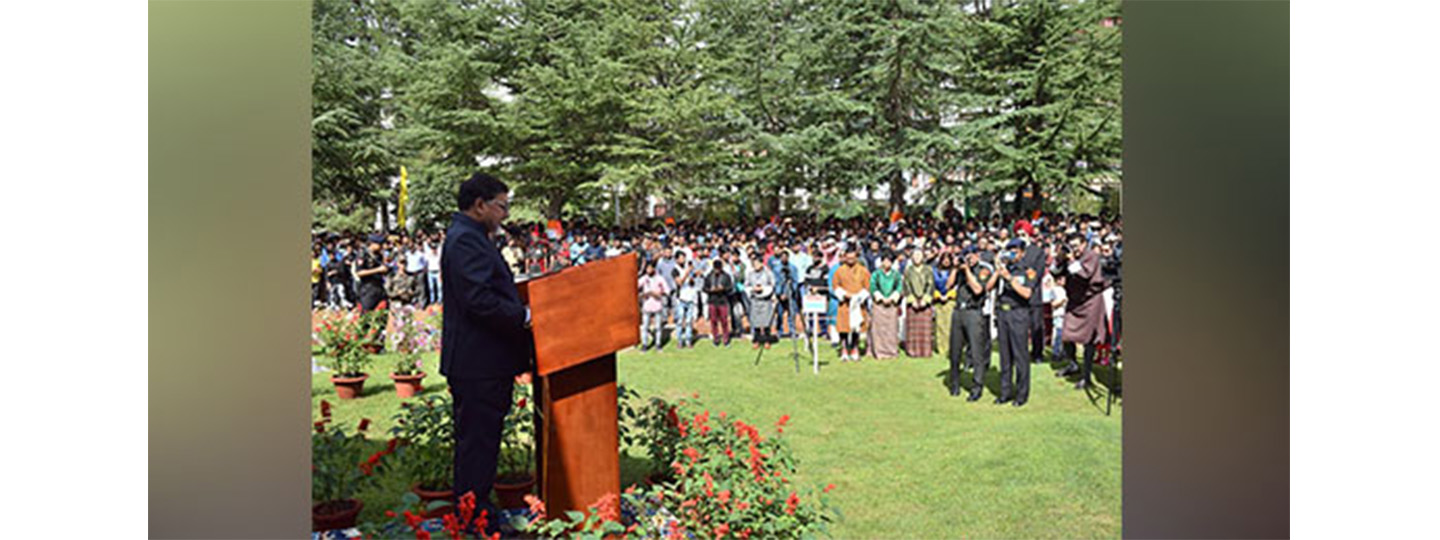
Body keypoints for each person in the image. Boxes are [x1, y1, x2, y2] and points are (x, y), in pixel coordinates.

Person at [439, 172, 532, 536]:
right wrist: (523, 315)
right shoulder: (465, 240)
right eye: (502, 206)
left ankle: (475, 514)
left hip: (482, 362)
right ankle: (476, 522)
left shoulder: (473, 236)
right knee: (478, 447)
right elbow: (479, 300)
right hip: (478, 364)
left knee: (480, 445)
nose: (506, 215)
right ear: (480, 205)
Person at [994, 237, 1040, 407]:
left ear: (1022, 253)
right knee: (1005, 356)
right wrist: (1000, 269)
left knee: (1020, 356)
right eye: (1009, 250)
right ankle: (1005, 392)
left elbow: (1027, 293)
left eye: (1015, 251)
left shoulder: (1028, 271)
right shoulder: (1006, 268)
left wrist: (1009, 279)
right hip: (1003, 313)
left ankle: (1021, 395)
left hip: (1019, 313)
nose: (1012, 254)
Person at [1058, 234, 1108, 389]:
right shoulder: (1071, 256)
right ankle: (1073, 364)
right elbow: (1056, 272)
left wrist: (1072, 260)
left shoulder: (1092, 256)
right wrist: (1060, 260)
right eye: (1072, 246)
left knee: (1088, 340)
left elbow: (1085, 274)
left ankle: (1086, 377)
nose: (1074, 249)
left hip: (1090, 301)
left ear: (1085, 244)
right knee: (1066, 334)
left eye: (1077, 245)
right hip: (1074, 301)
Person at [953, 249, 998, 400]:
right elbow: (948, 285)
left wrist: (967, 272)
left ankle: (977, 387)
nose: (969, 258)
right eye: (967, 256)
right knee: (955, 350)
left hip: (974, 311)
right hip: (959, 310)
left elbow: (978, 289)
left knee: (977, 351)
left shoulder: (983, 270)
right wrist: (955, 269)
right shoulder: (961, 269)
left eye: (972, 255)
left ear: (977, 256)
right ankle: (955, 383)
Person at [832, 247, 871, 361]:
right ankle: (844, 349)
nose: (850, 260)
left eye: (853, 258)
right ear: (844, 257)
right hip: (845, 303)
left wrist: (858, 296)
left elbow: (867, 287)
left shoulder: (863, 270)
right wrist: (845, 294)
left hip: (858, 303)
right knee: (843, 327)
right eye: (848, 257)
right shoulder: (839, 271)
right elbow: (835, 286)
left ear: (856, 257)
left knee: (856, 327)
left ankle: (854, 348)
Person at [902, 247, 936, 358]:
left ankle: (925, 351)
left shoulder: (928, 269)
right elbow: (906, 285)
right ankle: (912, 351)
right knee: (913, 330)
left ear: (923, 257)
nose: (917, 258)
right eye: (915, 255)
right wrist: (912, 300)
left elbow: (931, 285)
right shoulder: (908, 270)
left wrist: (925, 300)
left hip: (925, 303)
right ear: (911, 257)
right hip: (913, 303)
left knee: (925, 330)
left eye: (919, 255)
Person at [868, 252, 902, 359]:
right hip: (879, 304)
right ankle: (879, 351)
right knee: (878, 329)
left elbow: (899, 287)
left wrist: (892, 298)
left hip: (892, 304)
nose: (887, 263)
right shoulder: (876, 274)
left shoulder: (896, 275)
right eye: (885, 260)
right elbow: (873, 286)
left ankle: (891, 351)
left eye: (889, 261)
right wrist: (881, 298)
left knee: (891, 329)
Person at [745, 256, 777, 349]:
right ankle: (757, 340)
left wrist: (763, 289)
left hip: (766, 299)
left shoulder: (768, 273)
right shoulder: (750, 274)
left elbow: (772, 284)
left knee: (766, 320)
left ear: (762, 263)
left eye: (757, 263)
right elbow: (746, 285)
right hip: (755, 299)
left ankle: (767, 340)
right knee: (755, 321)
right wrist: (753, 289)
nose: (756, 266)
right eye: (754, 264)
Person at [638, 262, 670, 352]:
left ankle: (658, 344)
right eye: (647, 269)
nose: (648, 270)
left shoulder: (660, 279)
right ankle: (645, 344)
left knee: (658, 327)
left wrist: (658, 294)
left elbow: (667, 290)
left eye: (650, 268)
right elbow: (635, 286)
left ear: (653, 269)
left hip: (657, 305)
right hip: (647, 305)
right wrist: (642, 295)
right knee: (645, 326)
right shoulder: (644, 279)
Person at [933, 248, 958, 360]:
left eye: (948, 259)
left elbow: (957, 285)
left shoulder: (954, 272)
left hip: (951, 300)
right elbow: (932, 285)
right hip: (938, 300)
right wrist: (938, 295)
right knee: (939, 325)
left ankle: (950, 348)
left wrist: (948, 295)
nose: (946, 261)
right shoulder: (934, 271)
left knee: (950, 325)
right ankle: (941, 347)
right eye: (944, 259)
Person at [355, 234, 390, 312]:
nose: (382, 246)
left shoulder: (378, 255)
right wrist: (378, 270)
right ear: (372, 243)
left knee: (383, 311)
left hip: (379, 286)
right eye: (379, 244)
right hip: (368, 287)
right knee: (366, 313)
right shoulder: (363, 254)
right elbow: (359, 272)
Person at [704, 259, 734, 346]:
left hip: (723, 300)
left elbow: (730, 288)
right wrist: (710, 290)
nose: (717, 270)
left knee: (724, 321)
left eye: (718, 268)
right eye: (715, 268)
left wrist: (723, 288)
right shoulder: (709, 276)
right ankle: (716, 338)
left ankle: (726, 339)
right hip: (712, 300)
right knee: (713, 321)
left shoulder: (726, 276)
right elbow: (704, 288)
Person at [675, 252, 700, 348]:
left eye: (684, 258)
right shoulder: (675, 270)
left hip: (690, 297)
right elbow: (680, 283)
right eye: (681, 258)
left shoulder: (688, 269)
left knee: (689, 321)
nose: (683, 260)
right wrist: (687, 273)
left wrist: (694, 276)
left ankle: (688, 340)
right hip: (681, 299)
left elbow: (692, 283)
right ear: (677, 260)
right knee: (680, 321)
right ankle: (680, 341)